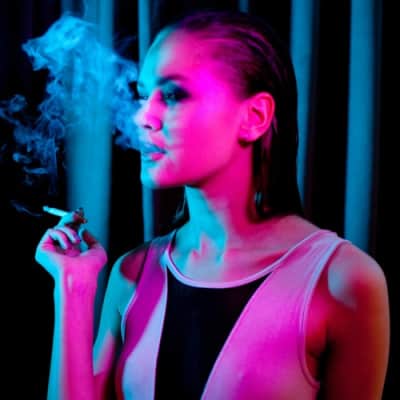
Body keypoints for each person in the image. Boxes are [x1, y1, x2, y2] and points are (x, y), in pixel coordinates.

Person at [35, 9, 390, 400]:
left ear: (254, 116)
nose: (142, 117)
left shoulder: (344, 281)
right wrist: (73, 289)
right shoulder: (132, 273)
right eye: (143, 95)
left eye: (173, 95)